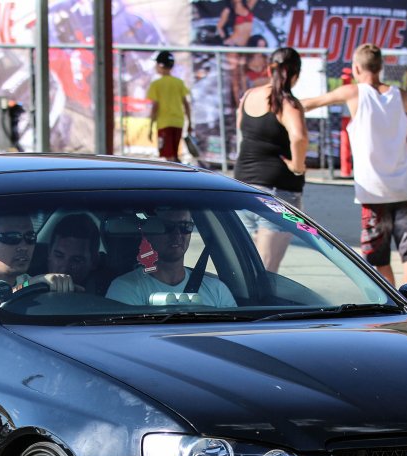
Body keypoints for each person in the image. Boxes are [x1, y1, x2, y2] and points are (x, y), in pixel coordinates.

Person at [301, 44, 407, 285]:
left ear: (356, 68)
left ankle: (396, 304)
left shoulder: (353, 93)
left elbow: (313, 103)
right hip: (405, 187)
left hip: (373, 191)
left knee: (378, 256)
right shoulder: (399, 94)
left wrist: (278, 101)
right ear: (381, 67)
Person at [233, 47, 308, 273]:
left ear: (269, 69)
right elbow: (300, 137)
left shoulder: (249, 96)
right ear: (295, 75)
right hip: (277, 192)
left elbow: (240, 127)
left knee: (245, 268)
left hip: (242, 187)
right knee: (267, 270)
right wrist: (297, 166)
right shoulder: (287, 103)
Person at [107, 209, 236, 307]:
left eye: (185, 226)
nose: (177, 234)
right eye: (167, 227)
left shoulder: (217, 290)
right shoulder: (126, 288)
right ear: (149, 233)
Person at [147, 50, 192, 162]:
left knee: (168, 156)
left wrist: (150, 126)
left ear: (160, 65)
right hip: (178, 122)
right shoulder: (178, 82)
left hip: (164, 123)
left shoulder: (156, 84)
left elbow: (155, 107)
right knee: (174, 154)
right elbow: (186, 104)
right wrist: (189, 122)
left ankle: (176, 177)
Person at [44, 214, 101, 291]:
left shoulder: (106, 289)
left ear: (94, 262)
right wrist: (33, 282)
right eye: (59, 256)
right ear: (49, 252)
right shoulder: (33, 276)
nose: (64, 269)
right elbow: (21, 287)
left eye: (76, 260)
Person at [218, 0, 259, 104]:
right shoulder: (229, 10)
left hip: (245, 46)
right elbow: (219, 27)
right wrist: (226, 39)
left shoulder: (248, 6)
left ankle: (246, 101)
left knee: (243, 74)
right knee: (235, 77)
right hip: (234, 46)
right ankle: (238, 104)